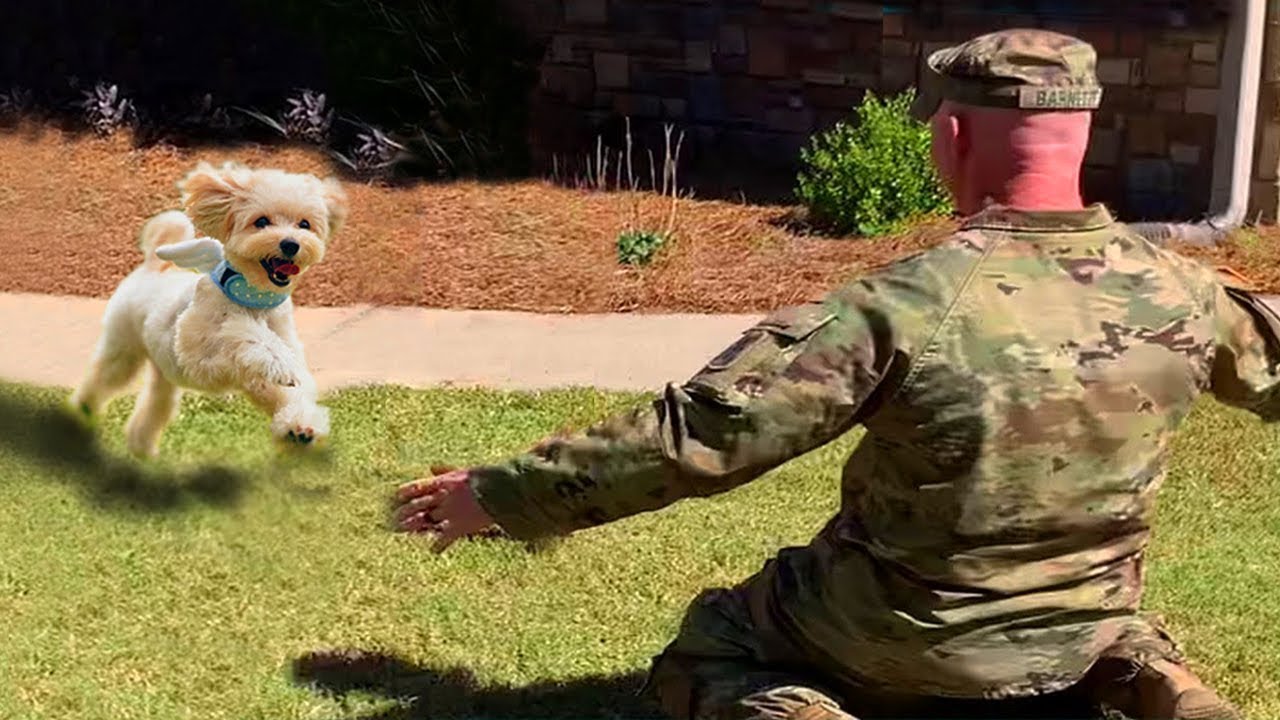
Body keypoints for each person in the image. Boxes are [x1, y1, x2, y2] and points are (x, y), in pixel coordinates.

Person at [391, 29, 1271, 720]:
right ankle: (1160, 687)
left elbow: (701, 439)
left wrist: (503, 495)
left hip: (898, 637)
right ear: (1080, 136)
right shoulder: (1191, 291)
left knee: (714, 647)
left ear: (954, 134)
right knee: (1118, 636)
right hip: (1077, 629)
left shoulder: (904, 305)